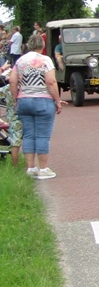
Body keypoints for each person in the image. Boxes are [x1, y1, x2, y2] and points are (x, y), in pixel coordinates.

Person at [8, 34, 62, 179]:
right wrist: (57, 101)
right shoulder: (45, 60)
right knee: (42, 135)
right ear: (42, 45)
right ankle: (43, 169)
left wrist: (16, 98)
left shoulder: (20, 61)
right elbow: (51, 82)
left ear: (28, 45)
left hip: (24, 100)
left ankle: (30, 168)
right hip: (43, 100)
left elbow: (12, 81)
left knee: (29, 135)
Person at [0, 68, 22, 166]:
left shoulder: (8, 88)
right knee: (30, 142)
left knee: (15, 144)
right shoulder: (27, 88)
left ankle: (15, 166)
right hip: (27, 117)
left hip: (13, 119)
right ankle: (30, 167)